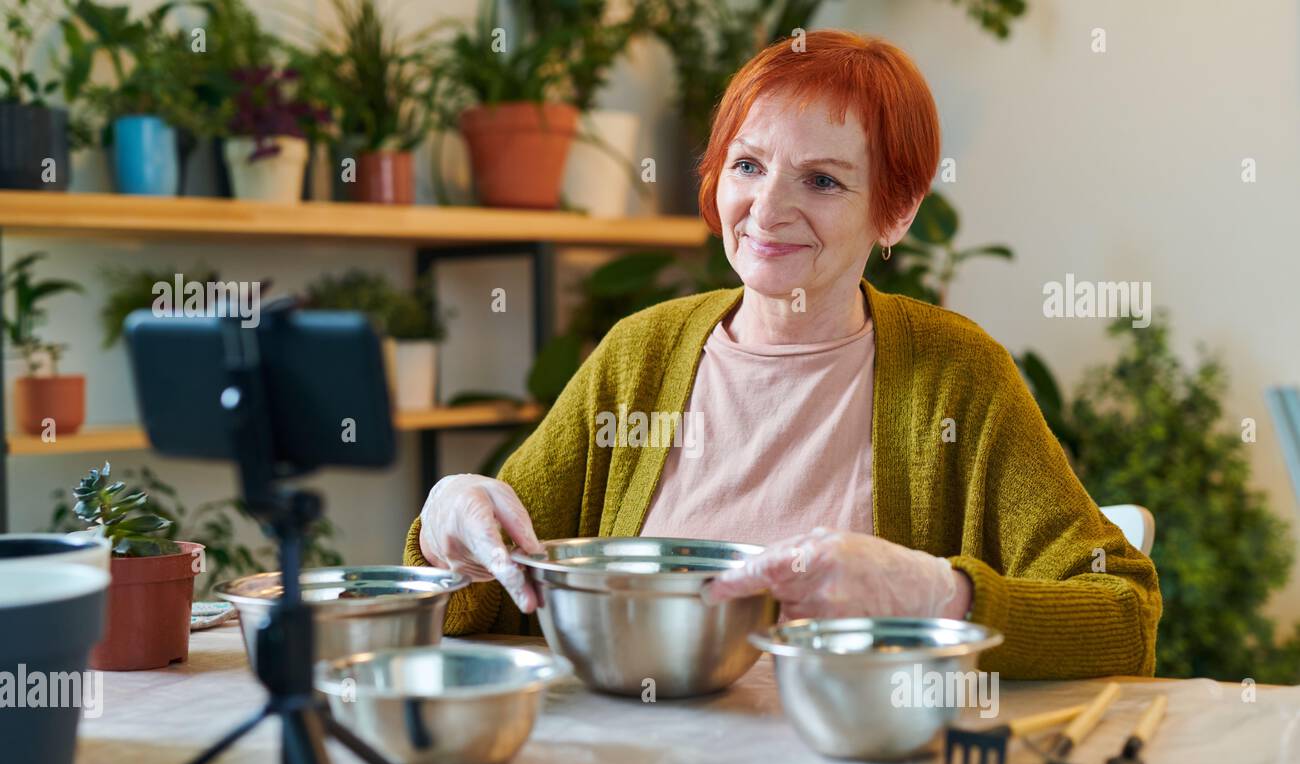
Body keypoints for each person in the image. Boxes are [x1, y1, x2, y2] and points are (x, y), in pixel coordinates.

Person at [404, 30, 1161, 680]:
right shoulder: (642, 353)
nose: (767, 210)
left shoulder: (955, 375)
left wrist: (938, 594)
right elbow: (486, 590)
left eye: (822, 180)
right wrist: (447, 531)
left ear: (895, 211)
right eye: (748, 165)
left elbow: (1124, 617)